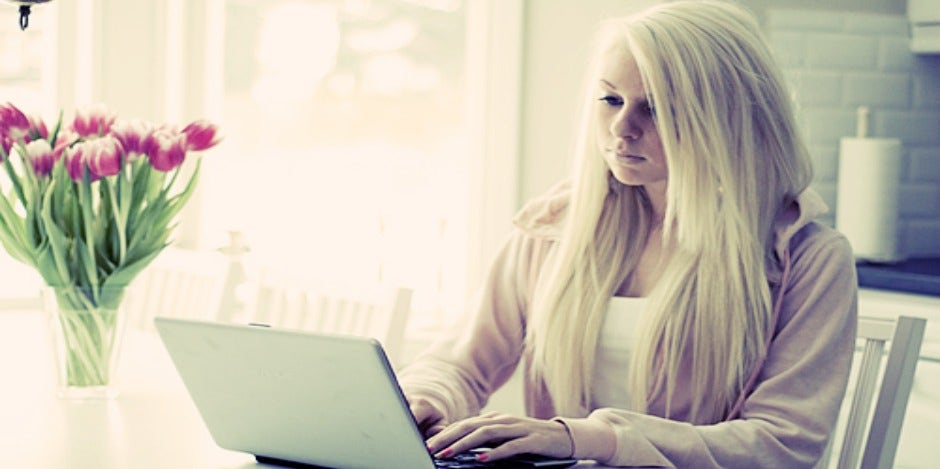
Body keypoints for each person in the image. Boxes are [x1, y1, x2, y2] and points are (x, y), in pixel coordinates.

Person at [398, 1, 858, 467]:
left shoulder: (810, 260)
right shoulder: (556, 228)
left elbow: (781, 445)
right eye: (611, 99)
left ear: (726, 120)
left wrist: (592, 438)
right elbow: (458, 362)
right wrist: (425, 399)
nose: (622, 127)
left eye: (656, 108)